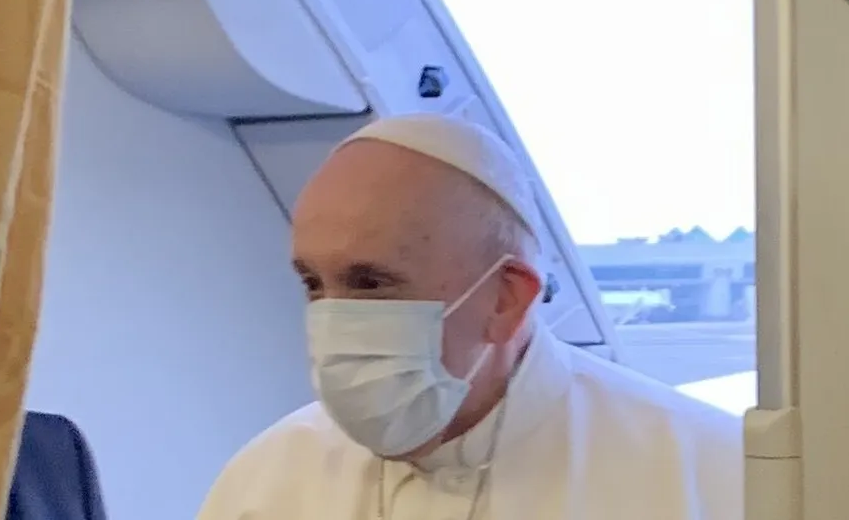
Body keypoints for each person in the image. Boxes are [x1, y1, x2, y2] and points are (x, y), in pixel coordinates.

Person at [196, 112, 707, 520]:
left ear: (506, 298)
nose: (333, 319)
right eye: (313, 284)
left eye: (371, 284)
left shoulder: (700, 476)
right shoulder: (265, 481)